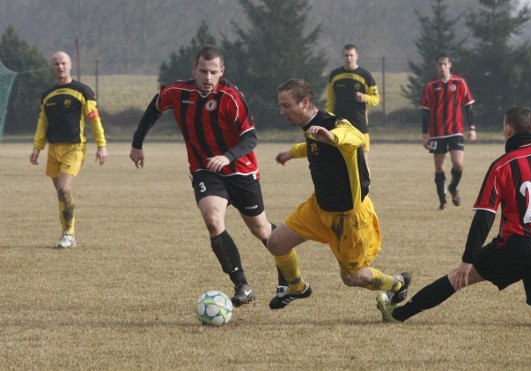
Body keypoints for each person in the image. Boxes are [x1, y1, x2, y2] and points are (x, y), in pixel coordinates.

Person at [376, 106, 531, 328]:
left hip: (516, 247)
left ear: (507, 129)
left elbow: (484, 217)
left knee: (455, 278)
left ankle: (397, 315)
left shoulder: (502, 166)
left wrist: (468, 259)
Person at [129, 46, 280, 307]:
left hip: (240, 169)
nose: (208, 77)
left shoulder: (231, 97)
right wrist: (137, 144)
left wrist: (228, 157)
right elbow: (154, 108)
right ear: (194, 70)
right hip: (204, 169)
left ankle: (290, 272)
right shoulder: (178, 92)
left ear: (222, 71)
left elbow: (250, 137)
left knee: (261, 229)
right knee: (212, 220)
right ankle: (242, 284)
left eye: (213, 72)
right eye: (203, 71)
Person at [267, 78, 409, 310]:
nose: (282, 112)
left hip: (348, 218)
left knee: (352, 278)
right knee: (276, 244)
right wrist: (291, 153)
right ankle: (297, 287)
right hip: (318, 209)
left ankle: (397, 284)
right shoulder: (313, 128)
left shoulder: (332, 124)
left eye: (286, 106)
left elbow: (356, 137)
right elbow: (313, 146)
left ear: (304, 103)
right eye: (281, 106)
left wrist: (333, 137)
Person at [29, 51, 108, 249]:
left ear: (70, 65)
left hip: (75, 147)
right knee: (61, 194)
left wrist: (102, 146)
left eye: (63, 63)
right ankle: (67, 234)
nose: (60, 67)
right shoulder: (47, 95)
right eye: (56, 64)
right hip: (53, 149)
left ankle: (68, 234)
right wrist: (37, 147)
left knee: (64, 188)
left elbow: (94, 120)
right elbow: (42, 123)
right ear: (52, 67)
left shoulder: (83, 91)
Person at [420, 52, 476, 210]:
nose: (443, 67)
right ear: (436, 66)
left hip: (456, 130)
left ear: (450, 65)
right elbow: (425, 111)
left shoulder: (459, 82)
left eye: (445, 64)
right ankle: (443, 202)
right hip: (437, 132)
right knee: (439, 166)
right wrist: (425, 135)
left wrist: (472, 128)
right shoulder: (431, 86)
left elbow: (469, 106)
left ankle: (452, 187)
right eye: (440, 64)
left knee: (458, 164)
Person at [326, 44, 380, 168]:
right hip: (339, 122)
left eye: (351, 55)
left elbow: (376, 99)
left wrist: (365, 97)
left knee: (363, 157)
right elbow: (330, 100)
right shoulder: (335, 75)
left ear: (357, 56)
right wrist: (329, 118)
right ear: (342, 56)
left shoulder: (365, 75)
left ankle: (365, 186)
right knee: (338, 156)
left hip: (359, 123)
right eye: (346, 55)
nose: (349, 58)